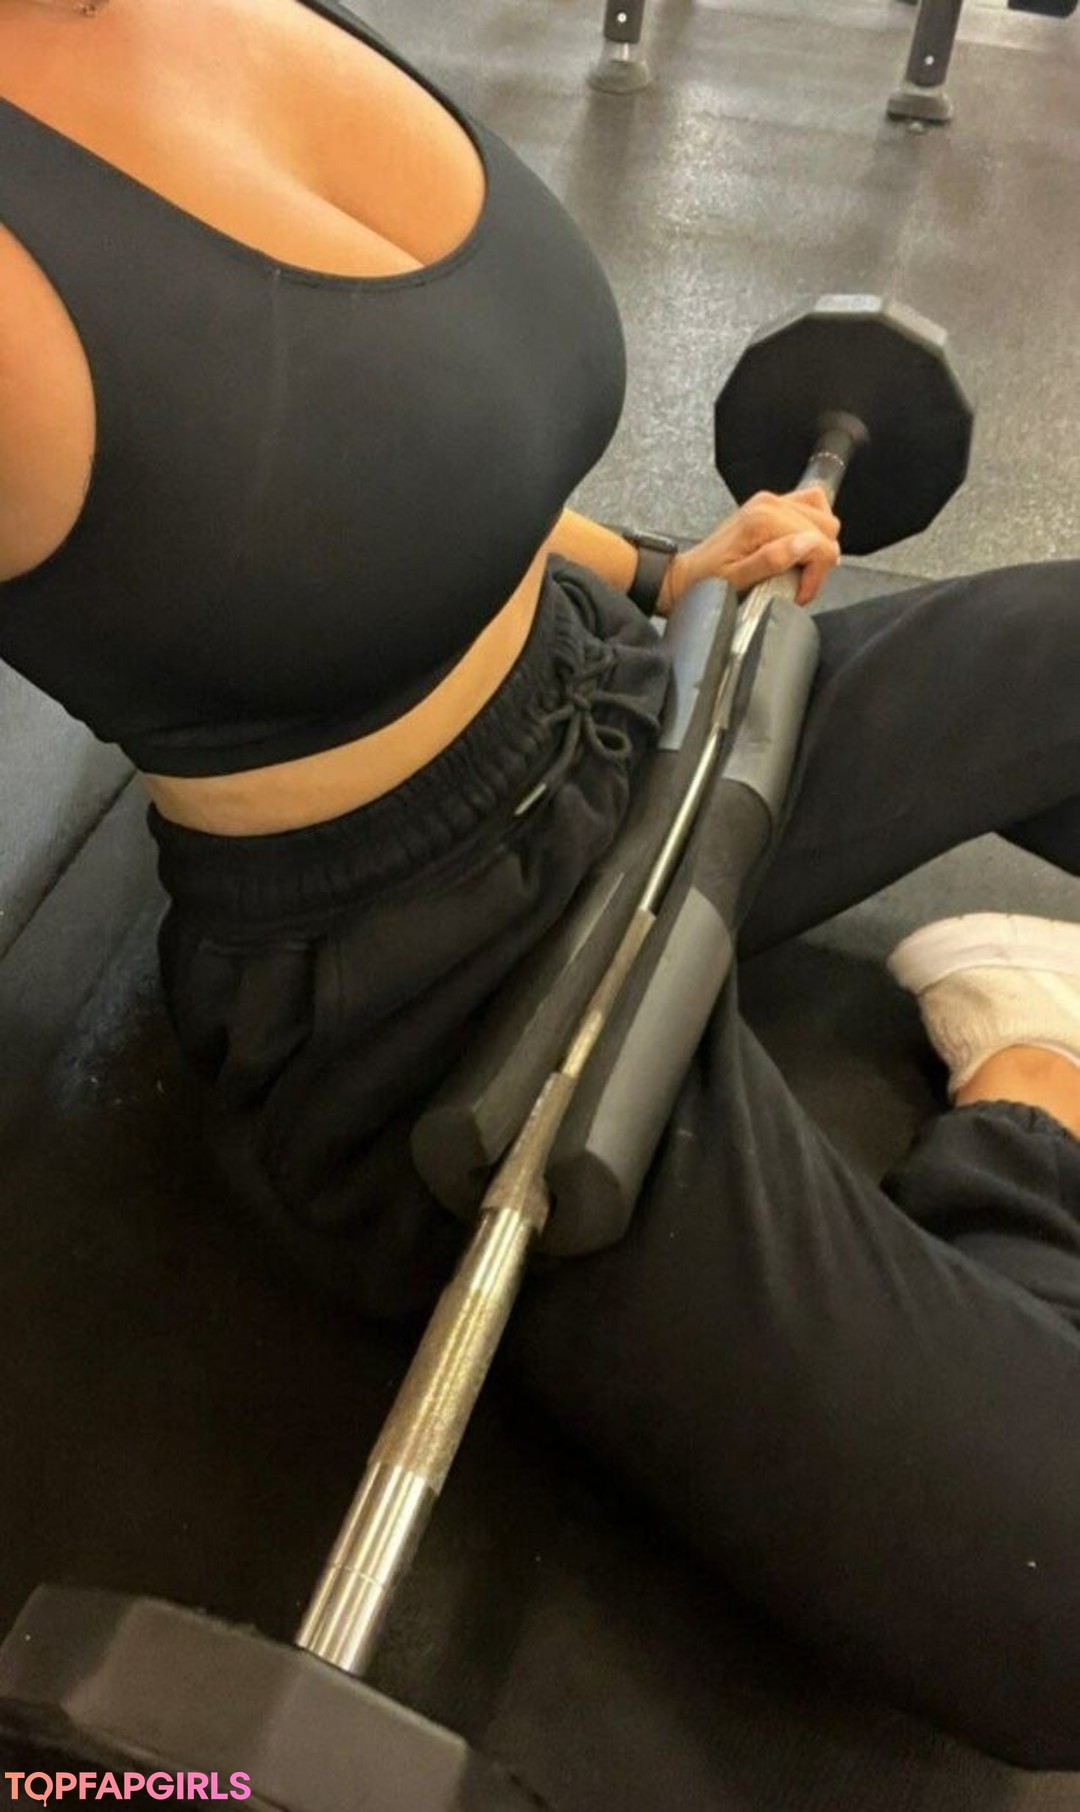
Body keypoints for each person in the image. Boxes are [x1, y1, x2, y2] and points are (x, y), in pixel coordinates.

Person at [1, 0, 1078, 1770]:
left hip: (618, 692)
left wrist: (660, 574)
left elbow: (393, 425)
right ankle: (1036, 1083)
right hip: (431, 989)